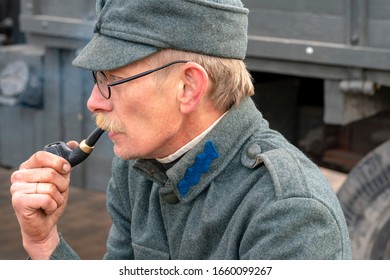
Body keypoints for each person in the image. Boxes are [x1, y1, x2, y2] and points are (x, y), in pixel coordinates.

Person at [10, 0, 351, 259]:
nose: (94, 101)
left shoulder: (287, 212)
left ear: (188, 87)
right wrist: (44, 243)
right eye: (96, 78)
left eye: (112, 79)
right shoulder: (137, 171)